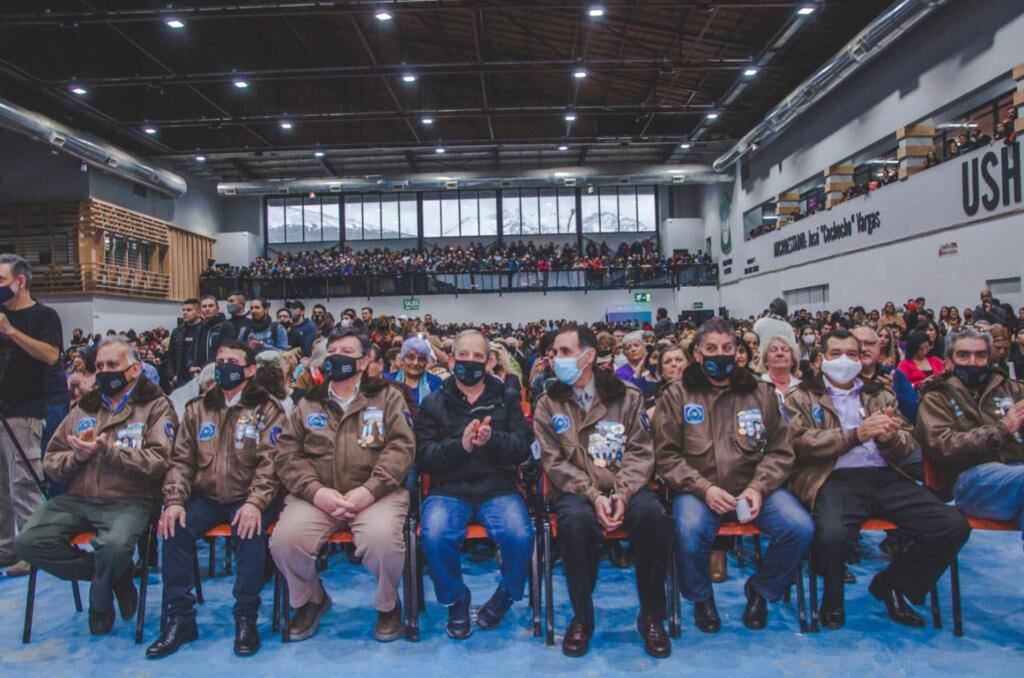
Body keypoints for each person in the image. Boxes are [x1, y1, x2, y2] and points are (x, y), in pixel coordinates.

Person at [785, 329, 970, 630]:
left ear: (862, 358)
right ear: (820, 359)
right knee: (831, 535)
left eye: (852, 354)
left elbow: (910, 445)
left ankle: (893, 584)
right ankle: (833, 596)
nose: (844, 360)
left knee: (952, 526)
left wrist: (889, 439)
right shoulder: (802, 396)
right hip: (832, 476)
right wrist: (855, 435)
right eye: (836, 354)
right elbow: (799, 444)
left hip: (885, 475)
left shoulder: (880, 394)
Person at [655, 317, 812, 633]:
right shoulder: (677, 395)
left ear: (738, 352)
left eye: (727, 348)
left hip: (756, 488)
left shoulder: (761, 392)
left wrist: (758, 487)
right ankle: (702, 598)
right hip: (698, 490)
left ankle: (762, 589)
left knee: (800, 528)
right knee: (688, 532)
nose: (720, 355)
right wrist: (704, 489)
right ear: (698, 354)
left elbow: (781, 450)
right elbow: (666, 456)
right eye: (711, 348)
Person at [14, 337, 176, 634]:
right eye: (99, 365)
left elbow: (160, 460)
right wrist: (76, 458)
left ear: (134, 369)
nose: (104, 371)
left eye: (112, 365)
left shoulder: (155, 406)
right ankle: (115, 577)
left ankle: (99, 604)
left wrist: (109, 451)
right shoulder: (83, 408)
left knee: (113, 548)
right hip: (78, 498)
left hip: (130, 498)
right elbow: (51, 460)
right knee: (27, 543)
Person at [534, 324, 672, 659]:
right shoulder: (548, 403)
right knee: (575, 525)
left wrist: (622, 494)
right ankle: (582, 617)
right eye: (553, 353)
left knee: (654, 517)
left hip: (625, 484)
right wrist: (593, 495)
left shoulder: (626, 395)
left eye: (564, 352)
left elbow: (641, 453)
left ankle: (652, 615)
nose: (556, 359)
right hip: (576, 490)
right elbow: (553, 462)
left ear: (589, 355)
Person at [270, 328, 415, 643]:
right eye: (331, 350)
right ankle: (311, 599)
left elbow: (401, 448)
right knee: (285, 541)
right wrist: (316, 491)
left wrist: (370, 490)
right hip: (318, 494)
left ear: (363, 362)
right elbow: (287, 455)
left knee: (382, 541)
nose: (336, 357)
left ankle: (388, 604)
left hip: (376, 493)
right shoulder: (307, 402)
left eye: (346, 352)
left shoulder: (388, 397)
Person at [147, 340, 286, 658]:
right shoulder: (197, 409)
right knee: (173, 528)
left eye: (233, 361)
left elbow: (272, 463)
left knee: (248, 530)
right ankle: (180, 617)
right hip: (206, 495)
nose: (225, 366)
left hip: (249, 495)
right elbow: (181, 461)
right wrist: (174, 501)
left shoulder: (267, 408)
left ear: (249, 370)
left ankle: (246, 616)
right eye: (220, 360)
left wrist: (256, 502)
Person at [415, 330, 534, 638]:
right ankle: (456, 598)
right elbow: (424, 457)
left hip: (498, 489)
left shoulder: (507, 399)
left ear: (489, 360)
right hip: (448, 490)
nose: (470, 362)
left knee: (520, 534)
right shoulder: (433, 403)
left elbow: (522, 448)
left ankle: (505, 594)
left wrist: (492, 439)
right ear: (451, 359)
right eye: (463, 355)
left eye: (477, 356)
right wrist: (461, 446)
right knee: (435, 534)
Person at [916, 327, 1024, 536]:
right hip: (970, 481)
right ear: (949, 360)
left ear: (990, 358)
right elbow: (943, 446)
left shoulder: (1013, 389)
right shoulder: (937, 397)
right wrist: (1001, 430)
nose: (973, 362)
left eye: (980, 355)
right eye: (963, 355)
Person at [0, 254, 63, 576]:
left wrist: (10, 332)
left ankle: (35, 547)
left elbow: (51, 355)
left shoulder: (43, 316)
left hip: (24, 410)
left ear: (19, 281)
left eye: (1, 281)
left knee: (24, 482)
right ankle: (7, 548)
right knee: (1, 486)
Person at [385, 336, 443, 405]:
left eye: (421, 359)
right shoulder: (387, 380)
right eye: (411, 357)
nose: (416, 363)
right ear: (402, 360)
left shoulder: (435, 382)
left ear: (426, 362)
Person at [195, 295, 238, 369]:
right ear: (200, 310)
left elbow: (224, 351)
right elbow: (193, 350)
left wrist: (205, 367)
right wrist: (191, 365)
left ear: (217, 308)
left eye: (211, 306)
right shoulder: (200, 328)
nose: (207, 309)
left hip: (219, 368)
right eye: (204, 306)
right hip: (200, 371)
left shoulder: (226, 326)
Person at [168, 299, 202, 388]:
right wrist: (172, 375)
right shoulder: (177, 331)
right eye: (183, 310)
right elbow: (170, 355)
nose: (184, 312)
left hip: (199, 375)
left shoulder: (205, 329)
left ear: (198, 312)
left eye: (189, 310)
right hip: (181, 378)